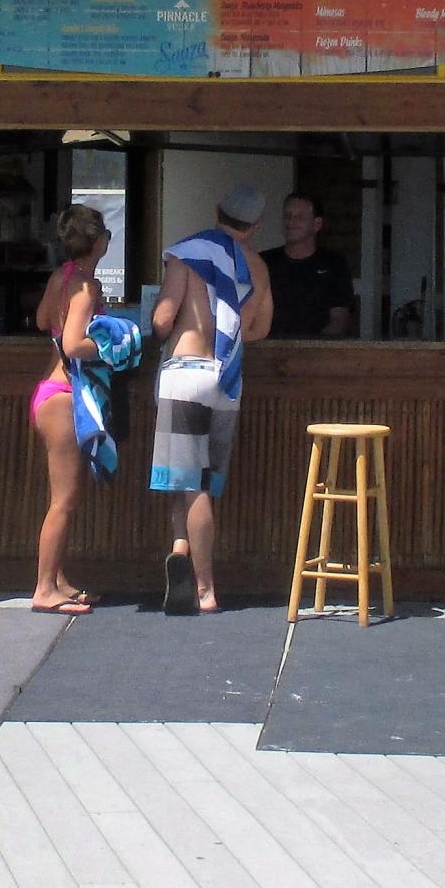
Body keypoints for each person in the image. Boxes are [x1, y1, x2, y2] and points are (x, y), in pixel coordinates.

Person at [149, 182, 273, 614]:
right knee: (195, 481)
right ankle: (180, 548)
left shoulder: (189, 252)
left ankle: (203, 588)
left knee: (190, 483)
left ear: (217, 208)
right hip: (227, 381)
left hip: (187, 373)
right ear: (256, 226)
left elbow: (164, 319)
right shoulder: (256, 265)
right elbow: (257, 329)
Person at [26, 203, 111, 613]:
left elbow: (44, 320)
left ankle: (58, 580)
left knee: (64, 497)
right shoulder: (86, 287)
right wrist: (115, 343)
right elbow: (75, 344)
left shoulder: (61, 276)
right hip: (64, 395)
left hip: (48, 389)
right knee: (64, 499)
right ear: (101, 242)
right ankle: (44, 589)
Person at [263, 192, 355, 339]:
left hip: (317, 355)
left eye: (299, 217)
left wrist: (313, 350)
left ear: (317, 224)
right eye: (287, 216)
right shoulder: (263, 262)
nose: (291, 222)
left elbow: (339, 319)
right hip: (269, 353)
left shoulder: (334, 264)